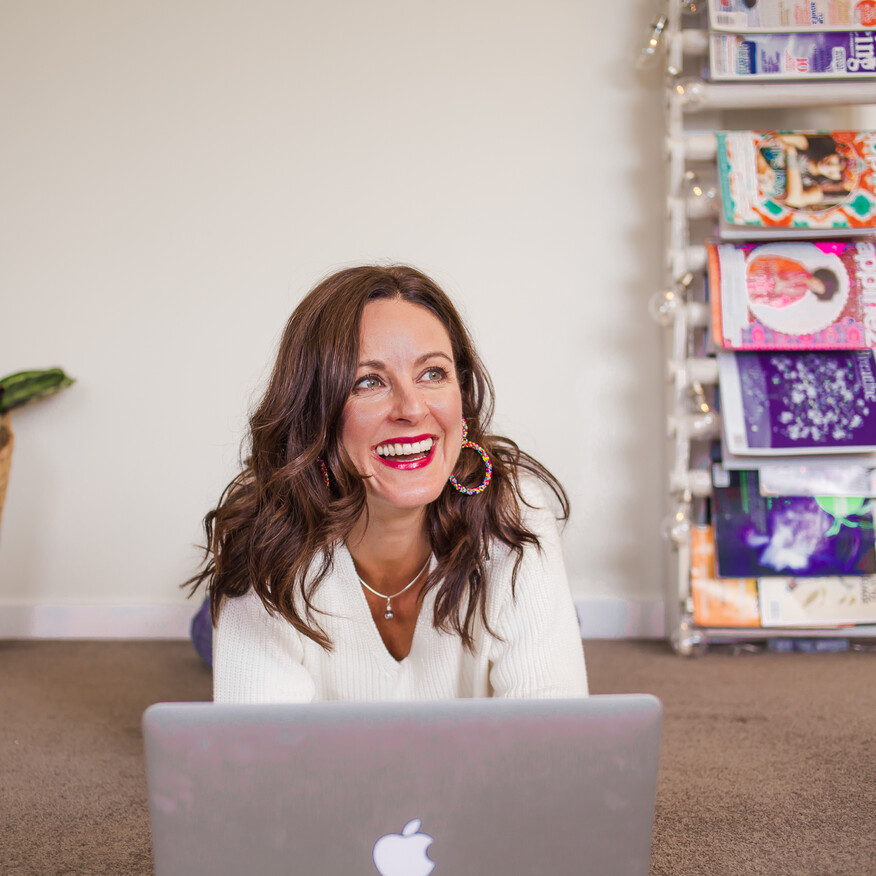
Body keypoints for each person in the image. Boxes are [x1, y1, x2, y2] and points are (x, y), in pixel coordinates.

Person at [185, 264, 588, 702]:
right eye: (369, 381)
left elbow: (551, 731)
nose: (412, 409)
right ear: (314, 413)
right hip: (292, 567)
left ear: (462, 395)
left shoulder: (516, 512)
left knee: (557, 618)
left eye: (433, 373)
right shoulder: (263, 541)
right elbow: (260, 755)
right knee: (213, 630)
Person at [746, 256, 839, 309]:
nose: (813, 286)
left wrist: (777, 290)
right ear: (820, 277)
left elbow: (780, 303)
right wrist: (776, 277)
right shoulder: (798, 267)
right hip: (757, 275)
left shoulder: (800, 293)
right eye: (818, 284)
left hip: (760, 291)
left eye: (815, 289)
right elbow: (775, 262)